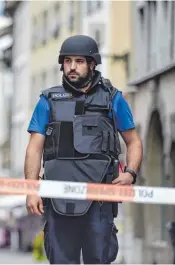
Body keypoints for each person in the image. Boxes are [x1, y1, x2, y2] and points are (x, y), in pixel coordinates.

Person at [24, 35, 143, 264]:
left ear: (92, 64)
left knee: (99, 259)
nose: (72, 67)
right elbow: (34, 148)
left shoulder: (113, 99)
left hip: (100, 198)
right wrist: (31, 189)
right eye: (68, 61)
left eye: (79, 61)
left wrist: (130, 173)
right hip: (59, 198)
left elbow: (134, 141)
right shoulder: (48, 100)